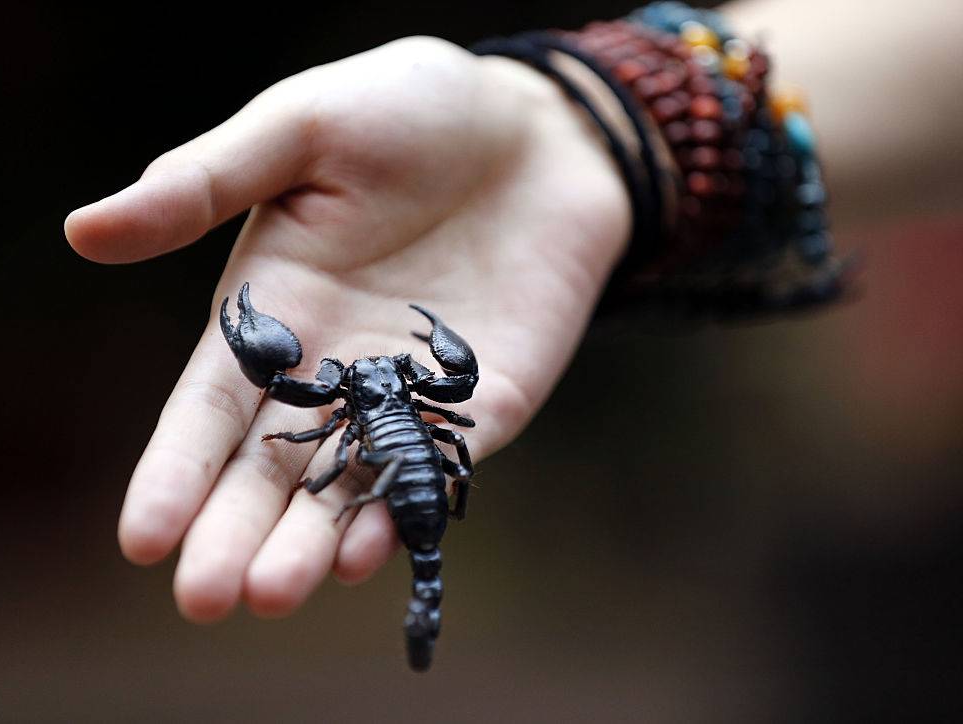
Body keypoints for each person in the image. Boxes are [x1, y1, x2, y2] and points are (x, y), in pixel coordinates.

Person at [64, 0, 962, 624]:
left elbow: (319, 429)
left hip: (398, 457)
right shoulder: (422, 404)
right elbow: (445, 401)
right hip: (411, 453)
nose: (375, 376)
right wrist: (581, 118)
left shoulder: (349, 406)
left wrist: (310, 436)